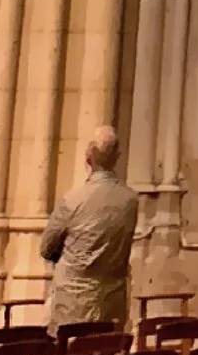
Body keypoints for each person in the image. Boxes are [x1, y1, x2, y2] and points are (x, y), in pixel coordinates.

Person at [42, 127, 138, 334]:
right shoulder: (130, 200)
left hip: (73, 303)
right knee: (106, 347)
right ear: (118, 157)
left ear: (88, 157)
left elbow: (46, 248)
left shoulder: (72, 199)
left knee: (71, 348)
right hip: (112, 302)